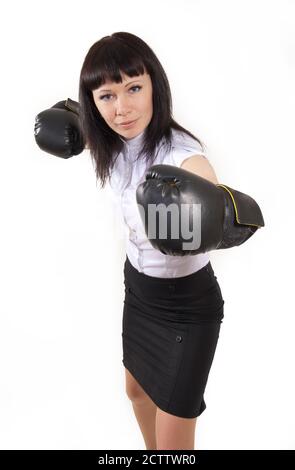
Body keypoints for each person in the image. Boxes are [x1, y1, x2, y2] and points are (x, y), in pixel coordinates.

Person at [35, 32, 263, 450]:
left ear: (155, 84)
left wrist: (210, 207)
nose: (122, 109)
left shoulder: (180, 154)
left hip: (187, 309)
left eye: (134, 88)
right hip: (138, 289)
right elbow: (88, 121)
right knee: (136, 391)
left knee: (178, 441)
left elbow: (205, 179)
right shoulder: (111, 136)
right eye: (107, 96)